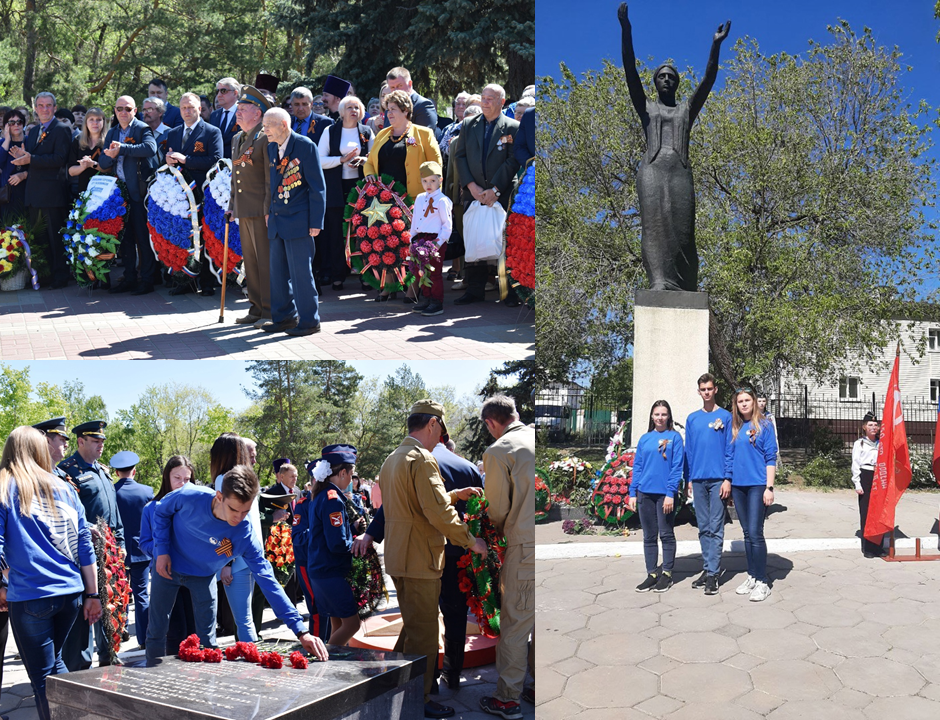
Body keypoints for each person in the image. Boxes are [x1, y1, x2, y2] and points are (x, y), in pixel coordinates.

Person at [146, 464, 329, 664]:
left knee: (208, 641)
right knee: (157, 630)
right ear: (219, 497)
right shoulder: (189, 495)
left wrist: (301, 631)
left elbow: (267, 580)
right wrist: (162, 551)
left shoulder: (245, 534)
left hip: (203, 576)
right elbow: (160, 511)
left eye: (245, 511)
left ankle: (206, 688)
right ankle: (150, 678)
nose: (238, 517)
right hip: (168, 567)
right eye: (233, 509)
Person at [378, 399, 487, 720]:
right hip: (421, 559)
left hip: (399, 557)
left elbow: (414, 504)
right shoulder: (422, 460)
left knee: (411, 627)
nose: (440, 433)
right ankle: (420, 698)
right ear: (432, 425)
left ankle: (391, 683)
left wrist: (455, 494)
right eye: (440, 426)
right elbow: (437, 512)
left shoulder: (393, 458)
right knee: (424, 634)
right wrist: (471, 541)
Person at [619, 3, 730, 291]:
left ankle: (682, 285)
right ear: (655, 82)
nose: (667, 79)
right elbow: (630, 70)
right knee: (654, 228)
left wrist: (715, 46)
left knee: (682, 232)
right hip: (653, 171)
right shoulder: (646, 107)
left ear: (677, 84)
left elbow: (708, 81)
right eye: (662, 76)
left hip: (680, 172)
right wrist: (626, 29)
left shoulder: (685, 110)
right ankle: (658, 281)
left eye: (671, 77)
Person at [0, 426, 101, 720]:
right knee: (55, 666)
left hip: (31, 596)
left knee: (43, 679)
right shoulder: (63, 486)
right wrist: (92, 593)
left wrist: (2, 584)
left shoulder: (5, 484)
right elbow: (84, 543)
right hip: (70, 594)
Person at [478, 396, 535, 717]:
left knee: (515, 623)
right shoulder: (535, 437)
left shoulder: (499, 450)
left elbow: (497, 507)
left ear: (491, 423)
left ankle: (508, 699)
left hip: (524, 547)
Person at [58, 420, 125, 671]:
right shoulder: (66, 472)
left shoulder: (103, 471)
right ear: (80, 442)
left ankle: (109, 663)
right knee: (84, 615)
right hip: (82, 554)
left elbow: (114, 512)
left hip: (109, 554)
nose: (101, 445)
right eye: (96, 441)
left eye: (102, 441)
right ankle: (78, 670)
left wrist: (120, 543)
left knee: (110, 611)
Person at [260, 106, 327, 336]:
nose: (264, 129)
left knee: (300, 274)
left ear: (283, 125)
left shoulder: (305, 145)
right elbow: (273, 183)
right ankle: (284, 318)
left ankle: (310, 321)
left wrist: (316, 222)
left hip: (299, 220)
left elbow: (317, 187)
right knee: (277, 274)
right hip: (277, 219)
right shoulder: (271, 147)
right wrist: (269, 211)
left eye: (268, 125)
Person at [453, 84, 520, 306]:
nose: (485, 102)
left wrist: (496, 190)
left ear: (502, 102)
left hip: (501, 194)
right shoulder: (469, 124)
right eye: (483, 97)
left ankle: (509, 291)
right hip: (475, 193)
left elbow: (512, 160)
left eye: (491, 98)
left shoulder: (512, 127)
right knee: (475, 240)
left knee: (504, 242)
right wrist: (471, 186)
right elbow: (460, 157)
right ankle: (474, 289)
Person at [9, 92, 73, 288]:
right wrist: (23, 156)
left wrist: (31, 159)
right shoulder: (34, 131)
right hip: (35, 194)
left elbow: (59, 159)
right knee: (40, 237)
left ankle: (60, 276)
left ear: (54, 108)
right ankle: (45, 276)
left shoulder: (61, 129)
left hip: (52, 194)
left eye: (48, 105)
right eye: (40, 105)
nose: (44, 109)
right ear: (35, 109)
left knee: (55, 237)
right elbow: (31, 159)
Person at [163, 92, 224, 297]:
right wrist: (169, 160)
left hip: (202, 193)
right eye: (183, 108)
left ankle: (206, 282)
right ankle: (184, 280)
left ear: (200, 109)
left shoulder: (211, 131)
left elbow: (216, 160)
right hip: (179, 195)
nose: (187, 111)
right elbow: (171, 161)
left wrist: (185, 159)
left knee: (203, 237)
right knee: (183, 236)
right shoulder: (173, 133)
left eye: (191, 107)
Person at [301, 446, 362, 646]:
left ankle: (332, 663)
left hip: (321, 571)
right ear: (342, 472)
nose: (351, 480)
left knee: (338, 625)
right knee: (352, 625)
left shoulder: (321, 494)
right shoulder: (332, 499)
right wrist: (356, 545)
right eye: (351, 474)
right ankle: (326, 660)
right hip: (331, 572)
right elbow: (337, 543)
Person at [98, 96, 159, 296]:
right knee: (125, 239)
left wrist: (122, 149)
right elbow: (104, 160)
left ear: (135, 110)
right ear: (114, 111)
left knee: (142, 237)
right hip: (120, 193)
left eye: (127, 108)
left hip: (139, 192)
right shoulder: (113, 131)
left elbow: (150, 149)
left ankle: (148, 280)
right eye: (119, 109)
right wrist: (109, 156)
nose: (123, 112)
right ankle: (130, 278)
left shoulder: (142, 129)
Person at [138, 456, 196, 656]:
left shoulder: (198, 507)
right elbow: (143, 542)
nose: (182, 483)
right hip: (166, 574)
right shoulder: (152, 508)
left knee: (195, 627)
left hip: (194, 574)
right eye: (177, 478)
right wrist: (162, 552)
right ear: (167, 478)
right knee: (173, 629)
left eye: (187, 479)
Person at [724, 387, 777, 602]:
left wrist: (769, 488)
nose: (744, 404)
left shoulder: (764, 425)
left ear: (754, 401)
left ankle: (763, 581)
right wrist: (728, 479)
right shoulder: (735, 426)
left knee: (755, 532)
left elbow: (770, 457)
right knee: (746, 532)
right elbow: (729, 455)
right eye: (740, 401)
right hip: (739, 486)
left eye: (747, 400)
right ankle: (752, 575)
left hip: (757, 486)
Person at [227, 85, 273, 327]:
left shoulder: (265, 137)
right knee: (251, 263)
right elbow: (236, 176)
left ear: (257, 113)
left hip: (260, 211)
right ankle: (255, 308)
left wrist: (267, 210)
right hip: (244, 210)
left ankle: (269, 311)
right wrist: (232, 204)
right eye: (238, 109)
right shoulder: (237, 138)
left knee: (265, 263)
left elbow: (268, 178)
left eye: (243, 109)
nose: (238, 113)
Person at [318, 95, 373, 291]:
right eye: (349, 107)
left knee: (361, 231)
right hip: (335, 188)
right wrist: (341, 160)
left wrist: (363, 161)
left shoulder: (366, 131)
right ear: (341, 111)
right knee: (336, 232)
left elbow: (373, 159)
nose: (354, 111)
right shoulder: (330, 131)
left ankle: (365, 275)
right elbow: (320, 159)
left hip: (359, 188)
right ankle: (337, 275)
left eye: (357, 107)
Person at [627, 401, 684, 594]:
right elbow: (638, 466)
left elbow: (677, 468)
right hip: (645, 493)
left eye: (664, 414)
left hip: (664, 495)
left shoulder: (675, 438)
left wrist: (670, 493)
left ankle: (667, 573)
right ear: (652, 417)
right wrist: (632, 492)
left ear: (669, 417)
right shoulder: (645, 439)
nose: (660, 417)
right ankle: (652, 573)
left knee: (666, 534)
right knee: (649, 536)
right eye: (657, 414)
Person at [210, 433, 261, 643]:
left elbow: (227, 526)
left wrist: (226, 562)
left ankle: (251, 664)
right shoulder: (246, 478)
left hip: (235, 558)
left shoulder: (224, 480)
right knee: (245, 618)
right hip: (250, 554)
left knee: (243, 620)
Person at [684, 373, 732, 596]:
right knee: (703, 527)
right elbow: (690, 451)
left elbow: (730, 449)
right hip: (699, 480)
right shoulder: (693, 419)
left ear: (715, 390)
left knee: (716, 527)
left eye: (710, 389)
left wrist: (727, 478)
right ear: (699, 391)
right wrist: (690, 479)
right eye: (703, 389)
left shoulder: (726, 416)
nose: (706, 393)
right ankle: (708, 568)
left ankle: (713, 573)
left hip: (717, 480)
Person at [111, 450, 153, 650]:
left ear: (117, 472)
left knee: (119, 593)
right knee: (142, 595)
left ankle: (121, 630)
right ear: (134, 471)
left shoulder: (111, 492)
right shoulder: (147, 491)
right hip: (141, 550)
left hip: (117, 552)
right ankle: (144, 638)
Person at [409, 161, 453, 317]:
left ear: (440, 180)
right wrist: (412, 239)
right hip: (420, 238)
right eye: (425, 181)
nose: (428, 184)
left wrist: (438, 243)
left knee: (434, 271)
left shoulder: (442, 201)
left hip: (435, 240)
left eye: (432, 181)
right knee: (421, 271)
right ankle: (426, 298)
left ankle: (436, 301)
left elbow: (447, 226)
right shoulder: (420, 198)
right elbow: (415, 220)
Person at [852, 412, 883, 558]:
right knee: (866, 513)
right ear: (864, 427)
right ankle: (868, 548)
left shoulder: (881, 443)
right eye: (870, 425)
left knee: (879, 513)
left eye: (876, 425)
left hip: (879, 476)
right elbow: (855, 464)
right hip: (866, 476)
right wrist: (857, 483)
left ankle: (878, 546)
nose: (873, 427)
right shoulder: (860, 444)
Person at [386, 67, 439, 138]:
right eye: (392, 87)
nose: (396, 91)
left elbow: (423, 138)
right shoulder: (389, 108)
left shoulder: (424, 106)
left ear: (410, 84)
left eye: (399, 86)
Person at [66, 107, 106, 199]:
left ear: (103, 122)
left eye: (98, 120)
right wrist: (83, 166)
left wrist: (93, 164)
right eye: (91, 120)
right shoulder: (78, 141)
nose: (95, 123)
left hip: (104, 191)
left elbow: (110, 169)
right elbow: (71, 171)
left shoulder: (108, 141)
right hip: (84, 191)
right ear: (86, 122)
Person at [0, 108, 28, 222]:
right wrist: (7, 139)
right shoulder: (3, 143)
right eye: (11, 122)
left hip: (27, 190)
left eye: (19, 122)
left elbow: (38, 165)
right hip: (7, 194)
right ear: (6, 126)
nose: (16, 125)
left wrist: (24, 174)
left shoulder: (30, 141)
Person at [210, 77, 242, 159]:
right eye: (218, 91)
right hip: (216, 166)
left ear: (235, 93)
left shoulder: (243, 113)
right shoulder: (214, 115)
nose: (219, 95)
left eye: (223, 91)